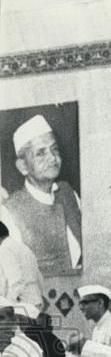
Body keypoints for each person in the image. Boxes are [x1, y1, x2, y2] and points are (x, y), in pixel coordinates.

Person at [0, 115, 82, 274]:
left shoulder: (68, 192)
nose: (53, 158)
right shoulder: (9, 211)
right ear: (23, 166)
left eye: (55, 149)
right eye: (41, 153)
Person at [0, 220, 44, 311]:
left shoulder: (4, 248)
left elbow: (15, 279)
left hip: (21, 304)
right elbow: (39, 276)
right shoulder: (23, 247)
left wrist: (10, 305)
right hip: (35, 300)